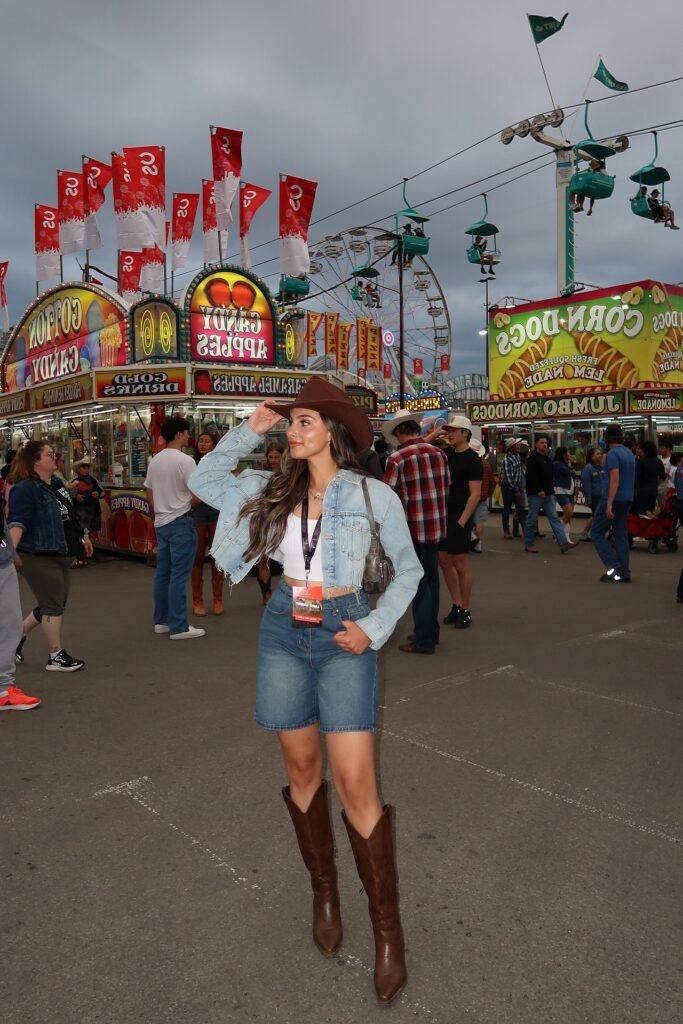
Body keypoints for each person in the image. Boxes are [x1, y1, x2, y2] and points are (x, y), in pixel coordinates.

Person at [189, 378, 422, 1003]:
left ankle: (387, 930)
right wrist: (251, 428)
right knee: (300, 768)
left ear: (334, 433)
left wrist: (372, 630)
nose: (294, 430)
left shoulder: (372, 495)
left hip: (346, 631)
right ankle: (324, 889)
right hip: (284, 630)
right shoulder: (271, 488)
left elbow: (410, 570)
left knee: (355, 784)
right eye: (291, 422)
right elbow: (204, 481)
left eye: (305, 422)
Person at [7, 441, 91, 671]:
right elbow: (16, 521)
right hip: (38, 554)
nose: (54, 458)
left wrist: (84, 535)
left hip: (63, 551)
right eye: (48, 455)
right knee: (53, 605)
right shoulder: (25, 489)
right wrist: (10, 552)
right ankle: (55, 655)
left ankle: (13, 640)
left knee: (54, 602)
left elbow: (69, 513)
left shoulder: (55, 482)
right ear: (35, 461)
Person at [383, 408, 450, 654]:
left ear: (400, 433)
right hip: (436, 526)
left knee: (418, 584)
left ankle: (424, 639)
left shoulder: (397, 459)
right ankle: (430, 632)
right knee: (432, 581)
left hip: (411, 530)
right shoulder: (439, 454)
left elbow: (387, 498)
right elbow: (446, 487)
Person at [144, 416, 205, 640]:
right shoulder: (186, 461)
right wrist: (184, 503)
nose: (190, 436)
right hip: (181, 521)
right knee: (179, 574)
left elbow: (148, 490)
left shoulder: (156, 460)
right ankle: (179, 626)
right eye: (187, 432)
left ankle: (161, 620)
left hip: (162, 522)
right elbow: (198, 494)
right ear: (178, 434)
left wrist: (162, 506)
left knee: (163, 573)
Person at [436, 416, 482, 629]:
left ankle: (465, 608)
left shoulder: (473, 459)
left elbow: (475, 494)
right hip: (444, 514)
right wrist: (437, 432)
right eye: (449, 430)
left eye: (455, 430)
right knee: (444, 560)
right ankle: (456, 604)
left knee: (460, 564)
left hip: (459, 516)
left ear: (466, 433)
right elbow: (420, 445)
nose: (451, 434)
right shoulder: (447, 455)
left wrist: (463, 520)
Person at [0, 501, 41, 710]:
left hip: (3, 559)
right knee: (7, 625)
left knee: (9, 624)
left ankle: (4, 689)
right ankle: (3, 689)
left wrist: (10, 551)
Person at [590, 423, 636, 583]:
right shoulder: (629, 453)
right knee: (621, 534)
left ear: (606, 438)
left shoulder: (612, 455)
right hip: (627, 498)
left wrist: (609, 503)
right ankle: (625, 573)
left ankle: (614, 565)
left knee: (596, 532)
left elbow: (614, 479)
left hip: (613, 498)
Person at [523, 436, 577, 554]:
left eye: (546, 443)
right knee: (531, 520)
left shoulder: (547, 459)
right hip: (535, 494)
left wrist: (551, 491)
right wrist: (538, 490)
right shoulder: (532, 458)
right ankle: (529, 544)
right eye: (541, 443)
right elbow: (531, 476)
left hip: (548, 494)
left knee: (554, 519)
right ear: (536, 445)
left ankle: (563, 543)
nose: (544, 445)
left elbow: (550, 476)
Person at [191, 432, 225, 616]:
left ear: (213, 445)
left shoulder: (219, 463)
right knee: (197, 556)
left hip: (215, 510)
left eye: (207, 442)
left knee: (216, 556)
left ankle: (218, 600)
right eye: (201, 441)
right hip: (197, 511)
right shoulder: (191, 463)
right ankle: (197, 601)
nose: (203, 444)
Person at [256, 441, 286, 605]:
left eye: (276, 457)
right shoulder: (261, 472)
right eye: (271, 456)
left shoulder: (289, 472)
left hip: (283, 517)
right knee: (264, 558)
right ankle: (266, 592)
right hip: (266, 518)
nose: (273, 460)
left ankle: (287, 594)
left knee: (289, 558)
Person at [70, 458, 103, 564]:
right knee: (83, 531)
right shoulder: (74, 482)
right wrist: (76, 496)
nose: (85, 470)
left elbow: (101, 491)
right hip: (81, 509)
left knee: (92, 530)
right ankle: (83, 551)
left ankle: (91, 551)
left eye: (87, 467)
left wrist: (97, 493)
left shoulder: (93, 480)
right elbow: (68, 494)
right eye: (83, 467)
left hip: (93, 508)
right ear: (78, 470)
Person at [499, 437, 527, 540]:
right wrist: (516, 490)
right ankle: (506, 530)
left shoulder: (517, 457)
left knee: (521, 508)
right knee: (507, 508)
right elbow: (509, 477)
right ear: (511, 448)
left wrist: (519, 485)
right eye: (516, 445)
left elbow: (519, 472)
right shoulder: (507, 460)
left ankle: (525, 530)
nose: (518, 446)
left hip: (516, 484)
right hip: (507, 486)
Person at [469, 438, 492, 554]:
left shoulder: (469, 462)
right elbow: (491, 480)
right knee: (479, 520)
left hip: (470, 496)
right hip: (482, 496)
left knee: (467, 518)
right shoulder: (486, 463)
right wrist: (488, 494)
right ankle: (479, 545)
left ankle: (472, 537)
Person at [633, 440, 666, 515]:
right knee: (650, 511)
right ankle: (649, 526)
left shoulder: (641, 462)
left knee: (641, 512)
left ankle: (641, 526)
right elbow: (663, 477)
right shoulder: (658, 461)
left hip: (641, 490)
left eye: (641, 449)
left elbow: (636, 475)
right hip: (653, 489)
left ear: (645, 450)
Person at [579, 447, 603, 541]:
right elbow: (586, 484)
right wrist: (588, 498)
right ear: (591, 456)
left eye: (600, 453)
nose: (600, 455)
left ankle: (586, 532)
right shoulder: (588, 468)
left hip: (602, 495)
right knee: (597, 515)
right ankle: (589, 533)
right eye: (597, 454)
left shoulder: (602, 467)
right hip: (595, 496)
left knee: (596, 515)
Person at [553, 446, 576, 538]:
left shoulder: (566, 464)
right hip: (561, 490)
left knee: (568, 515)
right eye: (568, 453)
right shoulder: (557, 464)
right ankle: (558, 531)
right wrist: (570, 468)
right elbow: (567, 472)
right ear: (563, 455)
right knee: (569, 512)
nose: (570, 455)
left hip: (569, 490)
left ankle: (564, 535)